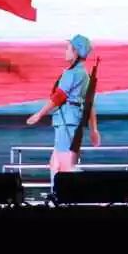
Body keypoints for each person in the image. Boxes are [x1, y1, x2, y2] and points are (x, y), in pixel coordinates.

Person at [26, 34, 100, 181]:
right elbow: (90, 104)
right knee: (55, 164)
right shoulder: (84, 74)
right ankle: (56, 193)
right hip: (70, 121)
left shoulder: (72, 73)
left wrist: (39, 114)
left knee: (65, 166)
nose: (65, 51)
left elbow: (59, 96)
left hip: (67, 122)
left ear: (76, 52)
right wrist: (94, 129)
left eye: (68, 48)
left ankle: (73, 192)